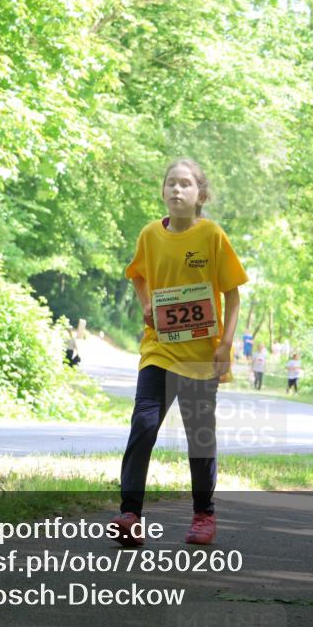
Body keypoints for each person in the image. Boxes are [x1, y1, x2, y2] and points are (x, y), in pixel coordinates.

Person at [111, 159, 248, 547]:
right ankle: (130, 514)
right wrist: (145, 306)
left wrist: (225, 344)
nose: (176, 190)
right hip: (158, 350)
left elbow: (233, 295)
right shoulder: (150, 235)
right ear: (163, 191)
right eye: (171, 183)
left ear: (199, 195)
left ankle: (204, 514)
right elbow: (137, 274)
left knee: (199, 436)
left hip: (201, 356)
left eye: (185, 184)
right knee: (144, 425)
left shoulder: (213, 236)